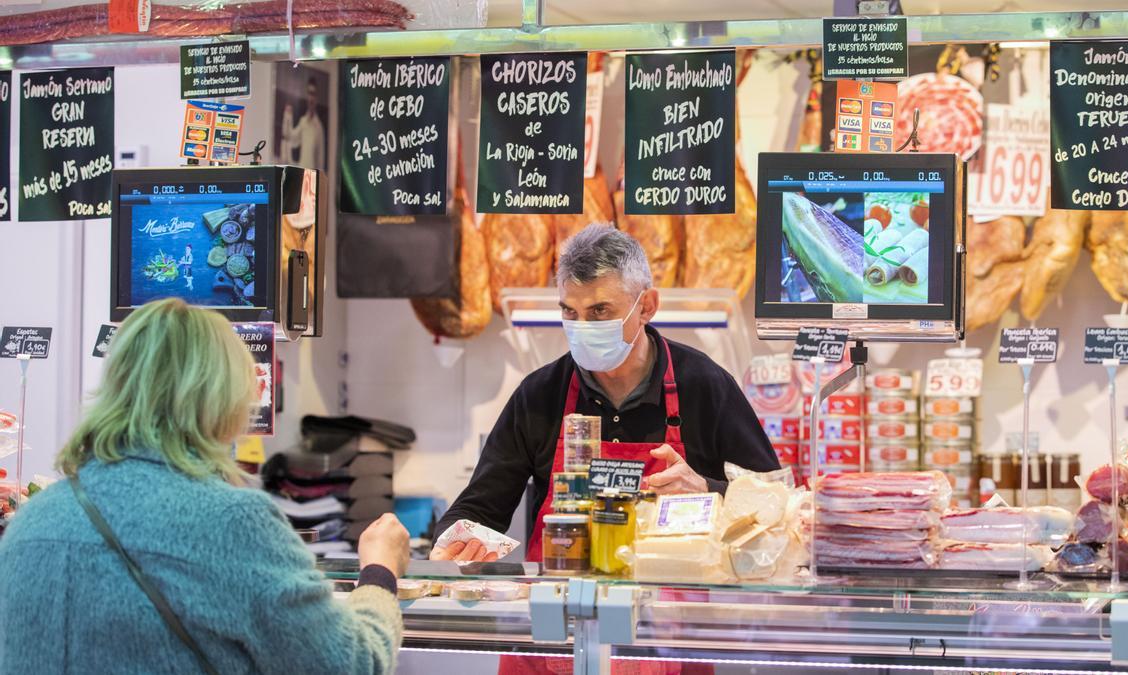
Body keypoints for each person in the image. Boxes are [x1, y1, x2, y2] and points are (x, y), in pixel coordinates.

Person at [0, 298, 408, 674]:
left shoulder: (32, 521)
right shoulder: (233, 522)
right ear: (221, 398)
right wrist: (380, 571)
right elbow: (353, 664)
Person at [432, 223, 780, 556]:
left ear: (646, 306)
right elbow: (479, 507)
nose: (582, 327)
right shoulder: (540, 394)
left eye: (600, 311)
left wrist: (708, 490)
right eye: (570, 311)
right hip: (562, 597)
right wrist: (453, 542)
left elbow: (775, 501)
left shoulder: (705, 385)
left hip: (669, 604)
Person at [281, 76, 326, 171]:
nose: (311, 98)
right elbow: (291, 139)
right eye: (309, 93)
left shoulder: (319, 128)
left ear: (317, 98)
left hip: (312, 177)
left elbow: (320, 162)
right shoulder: (303, 121)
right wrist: (288, 117)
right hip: (301, 174)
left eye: (313, 94)